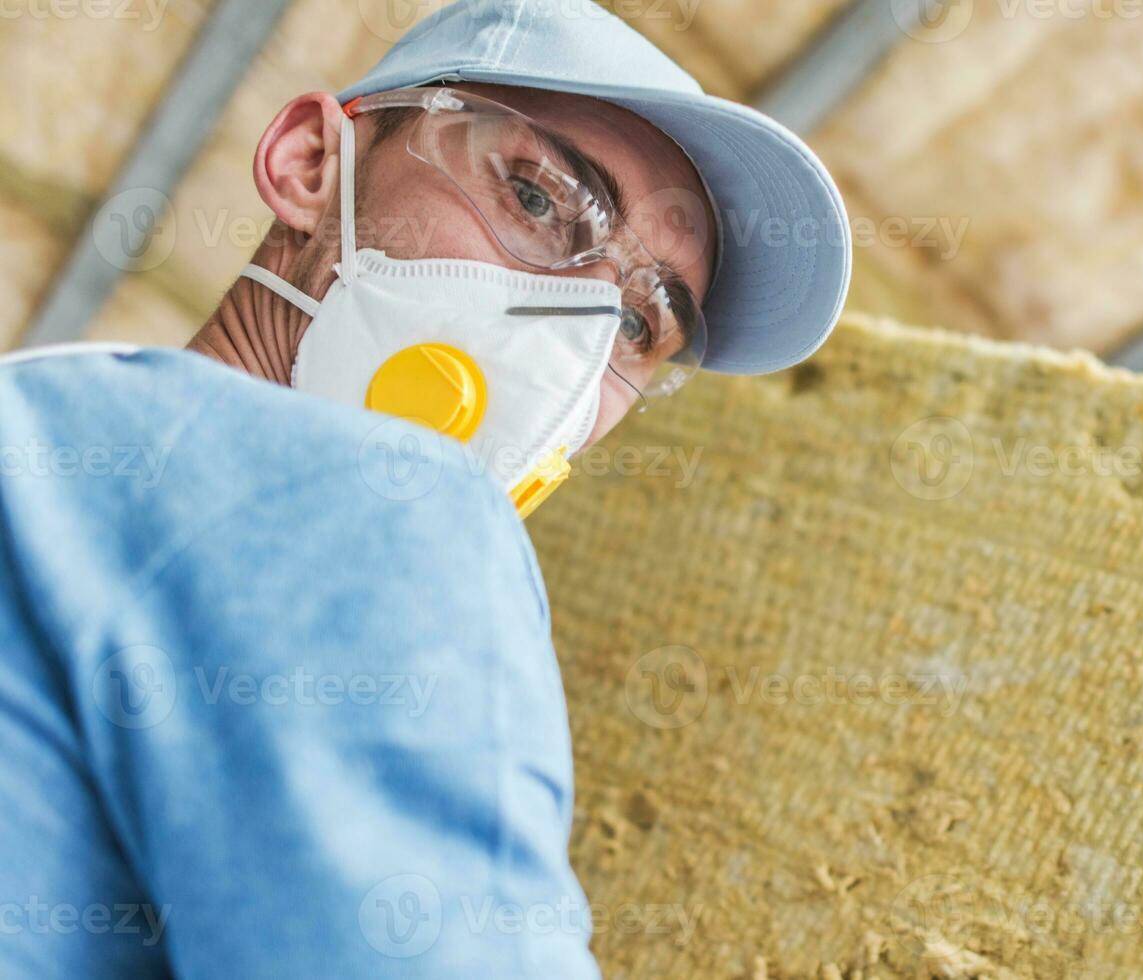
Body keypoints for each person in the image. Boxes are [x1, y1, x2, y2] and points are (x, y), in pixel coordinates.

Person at [0, 0, 850, 975]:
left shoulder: (38, 430)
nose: (574, 328)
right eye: (536, 201)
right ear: (314, 166)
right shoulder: (401, 509)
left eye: (636, 327)